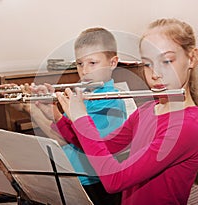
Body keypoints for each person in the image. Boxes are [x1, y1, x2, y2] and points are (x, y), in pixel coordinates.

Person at [55, 18, 198, 204]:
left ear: (192, 58)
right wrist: (62, 115)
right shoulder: (147, 110)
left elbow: (114, 181)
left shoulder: (186, 126)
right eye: (147, 64)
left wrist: (81, 119)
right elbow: (103, 145)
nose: (155, 73)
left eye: (166, 61)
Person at [30, 27, 127, 205]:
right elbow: (66, 129)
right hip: (75, 174)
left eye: (92, 63)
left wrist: (46, 112)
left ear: (113, 63)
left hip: (96, 181)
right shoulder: (85, 95)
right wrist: (47, 107)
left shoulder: (110, 102)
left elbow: (73, 138)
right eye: (80, 64)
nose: (84, 71)